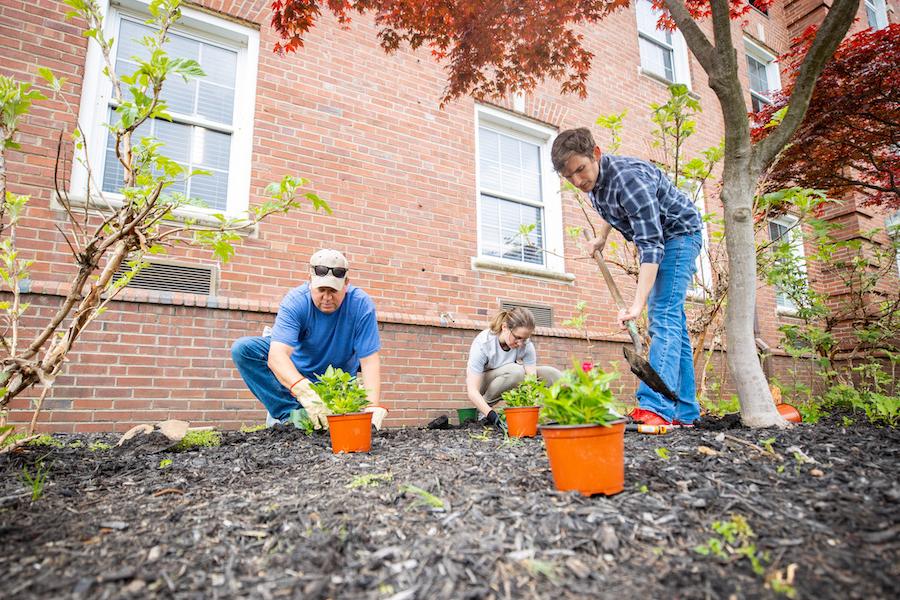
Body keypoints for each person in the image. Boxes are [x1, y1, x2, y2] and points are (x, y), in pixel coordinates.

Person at [551, 127, 703, 427]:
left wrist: (636, 306)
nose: (578, 181)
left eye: (581, 170)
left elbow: (651, 246)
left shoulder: (629, 179)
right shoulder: (594, 184)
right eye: (570, 177)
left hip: (679, 235)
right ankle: (685, 412)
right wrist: (601, 239)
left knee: (661, 316)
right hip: (662, 238)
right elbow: (612, 211)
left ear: (596, 153)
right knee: (674, 325)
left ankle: (655, 407)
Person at [231, 249, 387, 430]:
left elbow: (369, 361)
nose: (327, 298)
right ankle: (291, 415)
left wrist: (372, 406)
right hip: (298, 376)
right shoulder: (296, 301)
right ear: (310, 281)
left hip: (335, 382)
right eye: (321, 290)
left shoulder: (361, 304)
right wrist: (303, 390)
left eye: (334, 291)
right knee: (244, 349)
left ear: (346, 284)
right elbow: (277, 355)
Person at [466, 307, 562, 431]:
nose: (521, 343)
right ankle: (483, 411)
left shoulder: (526, 345)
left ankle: (566, 415)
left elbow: (531, 381)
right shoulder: (484, 343)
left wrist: (531, 410)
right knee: (516, 371)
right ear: (504, 327)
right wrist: (492, 416)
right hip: (483, 384)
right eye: (517, 337)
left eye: (524, 338)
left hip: (509, 376)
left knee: (551, 373)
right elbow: (472, 391)